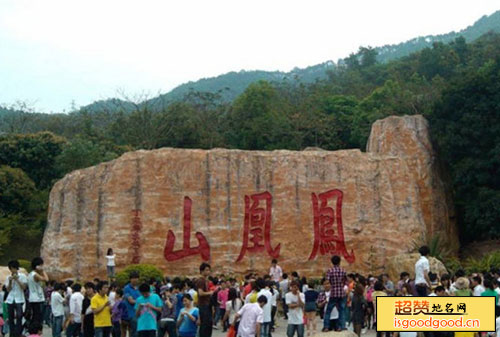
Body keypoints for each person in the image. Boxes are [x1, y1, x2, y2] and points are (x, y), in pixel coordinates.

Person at [323, 255, 347, 332]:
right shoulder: (343, 270)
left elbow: (327, 280)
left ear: (332, 262)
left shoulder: (330, 271)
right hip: (341, 292)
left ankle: (326, 326)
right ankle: (341, 326)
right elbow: (345, 281)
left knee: (328, 310)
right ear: (339, 262)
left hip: (333, 292)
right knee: (341, 310)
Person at [5, 260, 27, 337]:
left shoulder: (23, 276)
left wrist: (17, 279)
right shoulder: (8, 277)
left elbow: (24, 288)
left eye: (14, 268)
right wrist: (10, 281)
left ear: (17, 268)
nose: (12, 270)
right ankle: (12, 333)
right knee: (10, 318)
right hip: (10, 299)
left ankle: (18, 333)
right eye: (11, 268)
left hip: (19, 298)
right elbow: (8, 290)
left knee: (19, 316)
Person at [28, 257, 49, 327]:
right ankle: (35, 331)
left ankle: (32, 330)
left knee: (35, 316)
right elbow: (46, 279)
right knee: (37, 317)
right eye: (41, 265)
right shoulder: (35, 274)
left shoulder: (30, 274)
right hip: (37, 299)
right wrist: (43, 271)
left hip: (33, 298)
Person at [196, 263, 213, 337]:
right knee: (205, 326)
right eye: (206, 270)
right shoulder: (201, 280)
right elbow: (200, 293)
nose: (208, 272)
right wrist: (210, 293)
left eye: (209, 270)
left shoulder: (206, 280)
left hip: (207, 305)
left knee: (208, 326)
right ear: (202, 271)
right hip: (203, 305)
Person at [123, 272, 141, 337]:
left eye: (136, 278)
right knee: (134, 332)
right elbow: (131, 301)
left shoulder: (139, 288)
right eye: (133, 278)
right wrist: (140, 302)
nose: (135, 280)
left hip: (140, 313)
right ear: (130, 279)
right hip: (132, 313)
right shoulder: (127, 288)